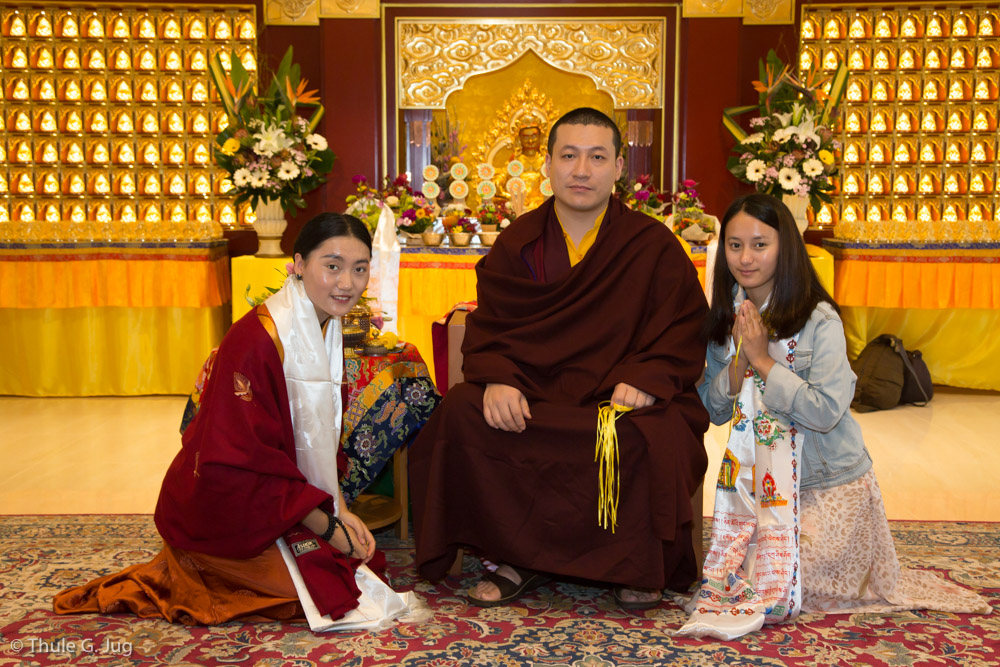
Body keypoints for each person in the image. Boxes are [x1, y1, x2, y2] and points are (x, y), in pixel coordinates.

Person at [54, 213, 421, 631]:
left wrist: (340, 508)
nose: (347, 283)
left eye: (359, 269)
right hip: (228, 504)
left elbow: (317, 439)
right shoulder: (257, 339)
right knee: (328, 586)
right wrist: (330, 527)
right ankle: (199, 565)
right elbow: (243, 460)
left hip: (276, 500)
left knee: (353, 566)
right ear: (299, 264)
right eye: (332, 266)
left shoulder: (325, 326)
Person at [409, 107, 710, 609]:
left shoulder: (651, 245)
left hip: (615, 403)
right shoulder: (519, 243)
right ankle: (516, 556)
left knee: (660, 430)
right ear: (547, 165)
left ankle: (633, 563)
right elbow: (489, 327)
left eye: (597, 157)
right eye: (569, 156)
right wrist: (498, 378)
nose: (581, 170)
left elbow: (684, 326)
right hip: (538, 399)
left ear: (619, 167)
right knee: (461, 411)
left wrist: (647, 376)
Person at [677, 193, 990, 639]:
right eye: (734, 245)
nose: (745, 258)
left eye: (760, 245)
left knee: (788, 589)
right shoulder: (728, 314)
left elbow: (825, 412)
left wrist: (764, 360)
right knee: (736, 586)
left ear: (785, 248)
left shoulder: (818, 317)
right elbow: (712, 407)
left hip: (825, 483)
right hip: (755, 487)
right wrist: (740, 362)